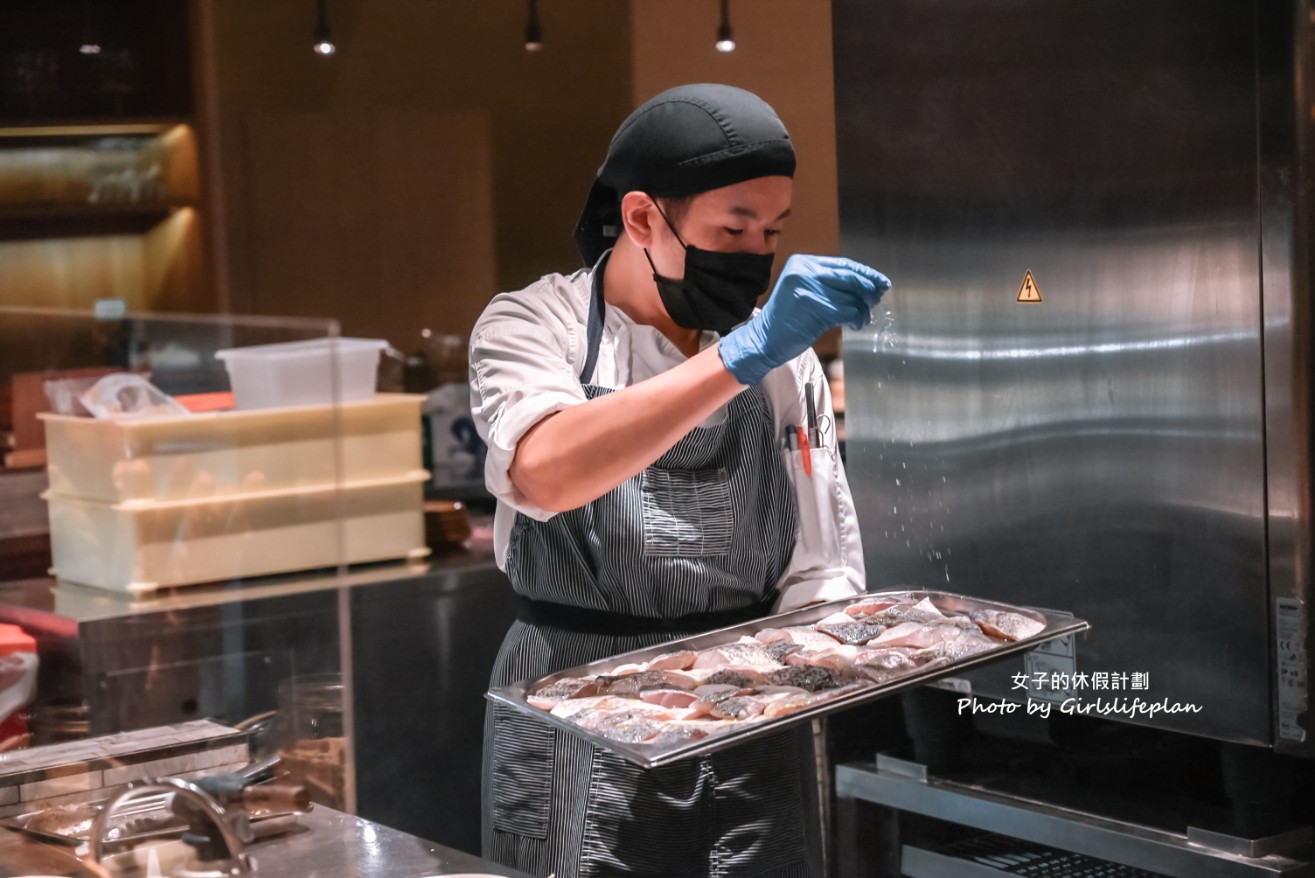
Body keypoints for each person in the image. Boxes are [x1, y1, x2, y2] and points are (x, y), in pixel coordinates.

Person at [469, 83, 889, 878]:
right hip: (572, 706)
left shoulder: (778, 356)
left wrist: (819, 663)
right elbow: (548, 471)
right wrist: (738, 357)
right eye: (733, 227)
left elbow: (820, 561)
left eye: (771, 229)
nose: (756, 252)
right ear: (640, 219)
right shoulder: (533, 325)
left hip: (752, 709)